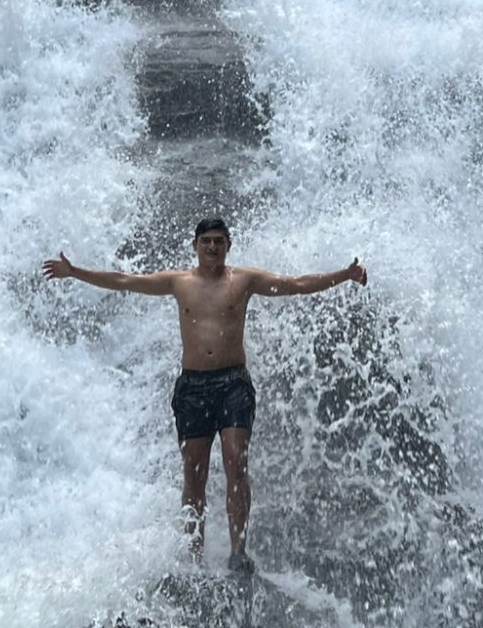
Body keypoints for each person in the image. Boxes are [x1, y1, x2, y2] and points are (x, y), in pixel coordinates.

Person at [42, 217, 367, 573]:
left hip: (233, 385)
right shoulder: (178, 282)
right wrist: (74, 272)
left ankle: (238, 552)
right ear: (195, 245)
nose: (212, 247)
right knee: (194, 475)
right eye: (206, 241)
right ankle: (193, 559)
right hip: (193, 388)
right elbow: (124, 281)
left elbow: (296, 284)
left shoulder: (245, 280)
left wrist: (344, 275)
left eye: (219, 241)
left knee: (235, 462)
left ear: (228, 245)